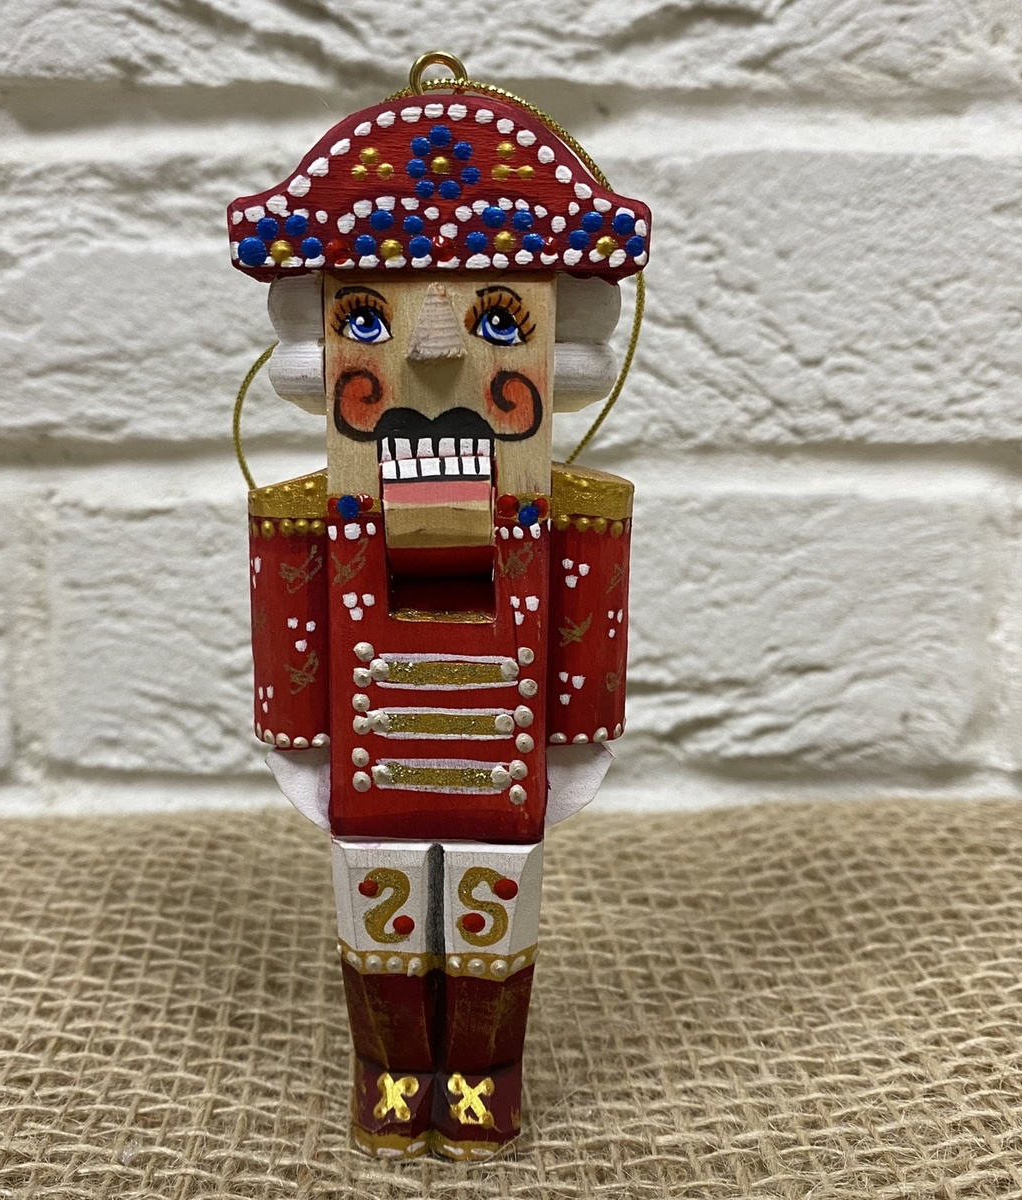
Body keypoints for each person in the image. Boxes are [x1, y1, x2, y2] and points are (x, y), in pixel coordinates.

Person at [228, 68, 651, 1160]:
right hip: (370, 776)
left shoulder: (575, 517)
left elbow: (583, 665)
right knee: (376, 910)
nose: (431, 354)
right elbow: (291, 660)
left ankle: (483, 1074)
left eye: (498, 318)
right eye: (367, 316)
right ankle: (387, 1071)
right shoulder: (304, 517)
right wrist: (300, 748)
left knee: (492, 910)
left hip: (503, 779)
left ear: (558, 343)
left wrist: (572, 748)